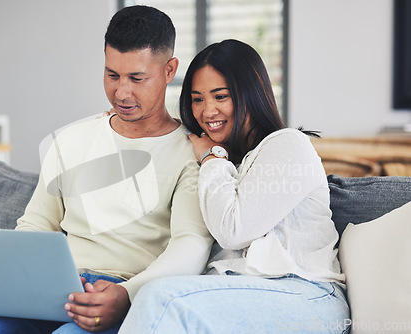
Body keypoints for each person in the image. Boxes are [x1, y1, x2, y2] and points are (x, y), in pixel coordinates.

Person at [0, 5, 213, 334]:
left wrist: (128, 295)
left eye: (136, 78)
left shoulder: (190, 152)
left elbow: (191, 245)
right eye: (112, 75)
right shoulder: (71, 139)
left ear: (169, 70)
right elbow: (37, 223)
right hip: (52, 289)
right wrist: (15, 280)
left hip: (124, 295)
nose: (121, 92)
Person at [118, 39, 350, 333]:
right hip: (235, 291)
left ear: (252, 94)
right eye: (198, 99)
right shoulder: (223, 161)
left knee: (160, 297)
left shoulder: (288, 145)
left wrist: (211, 157)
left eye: (220, 96)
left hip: (305, 294)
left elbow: (233, 230)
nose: (207, 110)